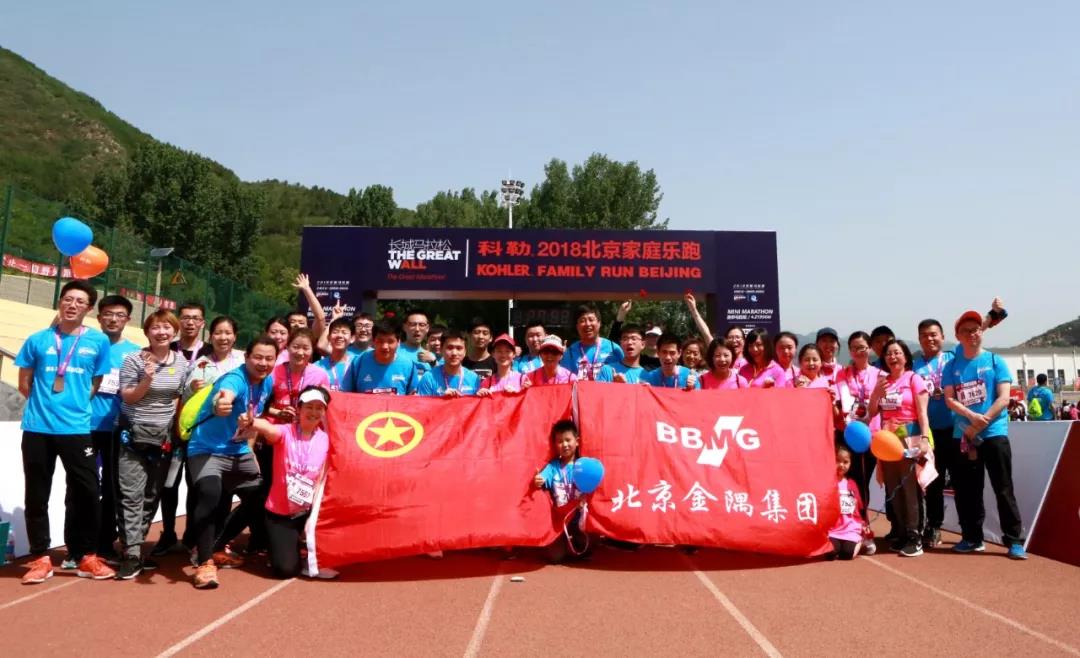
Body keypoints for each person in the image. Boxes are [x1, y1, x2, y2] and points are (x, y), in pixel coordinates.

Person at [15, 279, 116, 583]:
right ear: (60, 302)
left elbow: (96, 383)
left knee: (88, 491)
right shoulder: (37, 339)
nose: (72, 305)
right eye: (68, 299)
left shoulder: (98, 341)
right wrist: (46, 407)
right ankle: (40, 557)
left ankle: (87, 555)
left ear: (89, 308)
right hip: (37, 428)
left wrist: (74, 405)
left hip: (76, 429)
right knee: (37, 494)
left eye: (80, 301)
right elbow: (24, 383)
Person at [184, 335, 277, 589]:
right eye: (258, 357)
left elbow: (254, 411)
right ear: (246, 357)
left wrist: (253, 447)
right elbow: (225, 395)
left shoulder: (267, 381)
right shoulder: (234, 378)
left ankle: (214, 546)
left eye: (269, 359)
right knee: (210, 494)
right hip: (207, 449)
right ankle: (204, 563)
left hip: (238, 450)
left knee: (260, 498)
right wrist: (220, 403)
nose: (263, 363)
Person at [943, 310, 1026, 559]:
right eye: (966, 331)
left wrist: (983, 420)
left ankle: (1014, 540)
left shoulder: (995, 361)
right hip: (964, 435)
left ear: (982, 332)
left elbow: (1004, 397)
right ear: (958, 336)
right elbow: (949, 399)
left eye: (976, 329)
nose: (972, 334)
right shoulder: (952, 365)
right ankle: (972, 537)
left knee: (1003, 488)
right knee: (968, 490)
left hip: (994, 433)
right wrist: (971, 418)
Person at [115, 310, 190, 579]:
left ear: (175, 332)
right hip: (133, 436)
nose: (161, 332)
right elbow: (128, 397)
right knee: (131, 494)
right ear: (147, 332)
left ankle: (136, 547)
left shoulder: (181, 362)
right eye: (156, 327)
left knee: (152, 495)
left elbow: (178, 397)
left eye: (167, 327)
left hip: (164, 438)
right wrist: (147, 379)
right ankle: (132, 553)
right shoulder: (133, 360)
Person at [238, 386, 335, 579]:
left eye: (319, 408)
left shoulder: (326, 439)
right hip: (281, 514)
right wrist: (252, 421)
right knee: (285, 570)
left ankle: (306, 549)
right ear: (298, 409)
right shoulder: (286, 432)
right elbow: (269, 429)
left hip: (310, 514)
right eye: (309, 406)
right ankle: (287, 548)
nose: (314, 412)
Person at [869, 339, 931, 557]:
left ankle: (915, 536)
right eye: (888, 354)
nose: (892, 357)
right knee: (893, 488)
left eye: (897, 353)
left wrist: (925, 438)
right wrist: (876, 393)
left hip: (910, 440)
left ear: (905, 357)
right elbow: (872, 412)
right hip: (888, 442)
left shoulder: (914, 379)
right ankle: (903, 533)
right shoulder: (883, 383)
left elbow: (922, 413)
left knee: (910, 488)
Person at [89, 295, 139, 563]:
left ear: (127, 319)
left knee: (112, 487)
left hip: (117, 428)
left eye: (119, 315)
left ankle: (105, 543)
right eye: (107, 314)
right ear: (99, 318)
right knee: (81, 486)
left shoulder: (135, 353)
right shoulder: (85, 344)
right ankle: (79, 544)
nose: (113, 319)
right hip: (83, 426)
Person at [834, 330, 883, 555]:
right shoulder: (842, 375)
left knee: (862, 484)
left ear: (869, 348)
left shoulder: (880, 374)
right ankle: (850, 528)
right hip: (849, 435)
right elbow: (838, 404)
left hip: (872, 436)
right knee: (851, 484)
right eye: (854, 348)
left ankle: (864, 529)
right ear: (849, 351)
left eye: (862, 347)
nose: (858, 351)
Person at [914, 318, 955, 549]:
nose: (929, 339)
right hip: (929, 434)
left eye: (933, 334)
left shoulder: (953, 358)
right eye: (924, 335)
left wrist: (995, 315)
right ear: (919, 339)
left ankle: (971, 530)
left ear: (942, 336)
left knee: (962, 481)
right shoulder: (914, 367)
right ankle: (934, 526)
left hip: (956, 430)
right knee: (933, 483)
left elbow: (975, 334)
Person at [533, 419, 590, 563]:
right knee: (555, 557)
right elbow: (542, 478)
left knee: (586, 549)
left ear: (577, 441)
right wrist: (538, 480)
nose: (564, 444)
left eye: (568, 440)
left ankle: (574, 541)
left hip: (579, 521)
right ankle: (564, 542)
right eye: (559, 441)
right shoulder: (553, 466)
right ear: (554, 445)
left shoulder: (584, 465)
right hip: (559, 521)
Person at [343, 320, 420, 395]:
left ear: (398, 342)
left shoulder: (408, 366)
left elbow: (413, 398)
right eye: (380, 341)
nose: (385, 346)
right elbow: (345, 394)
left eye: (390, 341)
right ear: (373, 341)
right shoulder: (359, 362)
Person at [562, 304, 624, 381]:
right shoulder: (570, 352)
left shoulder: (614, 349)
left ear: (599, 323)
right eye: (582, 321)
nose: (587, 324)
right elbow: (563, 380)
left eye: (591, 320)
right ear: (577, 326)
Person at [826, 446, 867, 561]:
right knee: (830, 554)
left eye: (845, 462)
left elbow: (858, 507)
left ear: (850, 463)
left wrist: (864, 524)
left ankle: (859, 541)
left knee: (847, 554)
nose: (841, 465)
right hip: (833, 529)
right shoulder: (828, 483)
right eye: (837, 461)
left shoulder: (852, 484)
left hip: (850, 528)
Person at [416, 329, 482, 397]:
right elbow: (422, 404)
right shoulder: (429, 377)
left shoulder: (474, 378)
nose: (454, 353)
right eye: (450, 348)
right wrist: (442, 399)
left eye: (459, 348)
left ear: (465, 352)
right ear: (441, 350)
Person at [316, 317, 356, 392]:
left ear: (352, 338)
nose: (339, 335)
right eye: (335, 332)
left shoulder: (358, 363)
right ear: (328, 338)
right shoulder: (318, 366)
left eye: (344, 332)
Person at [399, 309, 438, 375]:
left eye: (422, 325)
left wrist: (434, 363)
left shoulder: (431, 357)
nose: (417, 329)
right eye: (413, 324)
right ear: (404, 327)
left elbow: (443, 378)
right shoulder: (394, 352)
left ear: (427, 328)